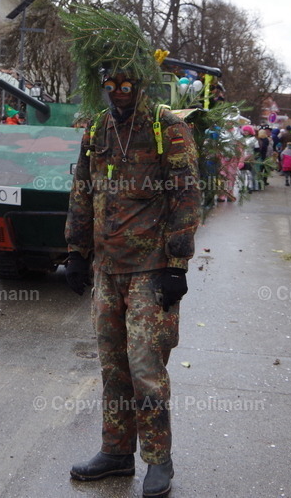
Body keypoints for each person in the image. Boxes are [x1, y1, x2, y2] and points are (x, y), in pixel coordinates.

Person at [64, 52, 201, 497]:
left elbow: (186, 195)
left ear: (140, 83)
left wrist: (177, 266)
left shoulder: (166, 127)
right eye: (111, 83)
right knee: (113, 367)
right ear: (102, 84)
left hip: (150, 270)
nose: (119, 91)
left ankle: (158, 460)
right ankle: (116, 452)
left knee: (146, 369)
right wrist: (76, 251)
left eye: (127, 84)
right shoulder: (97, 129)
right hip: (108, 268)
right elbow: (82, 190)